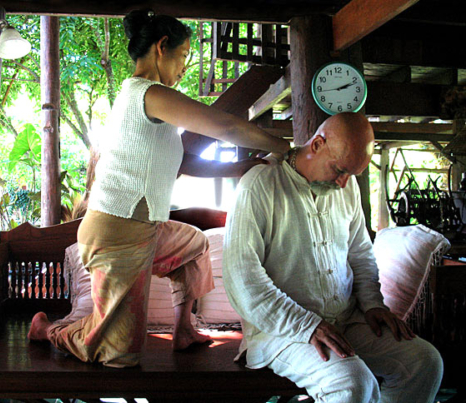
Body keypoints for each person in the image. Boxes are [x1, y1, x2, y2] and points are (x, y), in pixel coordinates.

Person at [27, 9, 290, 368]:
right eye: (183, 56)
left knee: (195, 245)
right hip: (115, 234)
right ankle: (47, 331)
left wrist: (246, 165)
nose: (184, 68)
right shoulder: (144, 92)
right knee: (120, 355)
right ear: (161, 47)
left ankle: (183, 331)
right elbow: (224, 127)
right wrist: (285, 147)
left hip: (146, 229)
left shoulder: (154, 105)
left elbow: (185, 164)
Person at [222, 112, 443, 402]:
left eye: (351, 174)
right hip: (280, 331)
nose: (343, 183)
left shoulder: (346, 186)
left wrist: (373, 304)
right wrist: (306, 325)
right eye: (339, 170)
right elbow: (242, 278)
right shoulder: (260, 184)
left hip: (346, 320)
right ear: (316, 145)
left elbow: (361, 254)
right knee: (352, 384)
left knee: (424, 362)